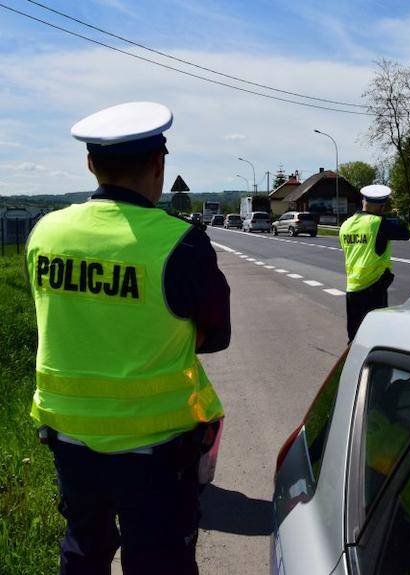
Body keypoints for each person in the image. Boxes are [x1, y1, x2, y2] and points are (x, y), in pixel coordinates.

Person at [25, 101, 230, 575]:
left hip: (69, 440)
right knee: (160, 563)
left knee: (83, 551)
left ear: (90, 164)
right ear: (159, 164)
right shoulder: (180, 242)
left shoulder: (45, 233)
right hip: (156, 451)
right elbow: (216, 335)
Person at [339, 184, 410, 340]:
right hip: (374, 289)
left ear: (363, 201)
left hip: (352, 289)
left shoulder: (346, 225)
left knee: (355, 337)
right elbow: (406, 233)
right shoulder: (378, 223)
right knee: (377, 336)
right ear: (382, 206)